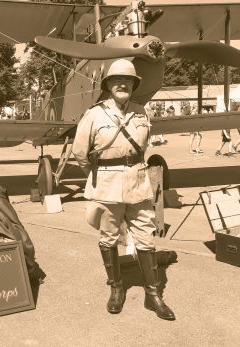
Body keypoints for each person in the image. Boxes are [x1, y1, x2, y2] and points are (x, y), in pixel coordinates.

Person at [72, 59, 175, 320]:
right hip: (106, 185)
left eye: (128, 80)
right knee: (109, 238)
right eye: (117, 80)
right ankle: (116, 288)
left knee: (146, 238)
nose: (122, 84)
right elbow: (80, 153)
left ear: (134, 84)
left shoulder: (141, 112)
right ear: (107, 85)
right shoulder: (94, 114)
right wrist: (100, 175)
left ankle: (153, 296)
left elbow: (144, 147)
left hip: (138, 183)